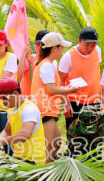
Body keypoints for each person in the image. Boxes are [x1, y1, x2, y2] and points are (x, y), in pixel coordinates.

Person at [31, 32, 79, 162]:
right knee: (48, 147)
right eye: (61, 47)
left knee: (56, 143)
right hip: (46, 111)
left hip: (47, 110)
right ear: (54, 48)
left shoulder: (45, 63)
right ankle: (44, 174)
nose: (62, 51)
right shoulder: (47, 65)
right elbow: (50, 89)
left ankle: (48, 169)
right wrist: (69, 89)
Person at [0, 78, 47, 164]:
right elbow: (7, 131)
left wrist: (3, 141)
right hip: (18, 158)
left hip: (33, 161)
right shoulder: (11, 109)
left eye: (5, 98)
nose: (3, 102)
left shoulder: (29, 108)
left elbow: (25, 135)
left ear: (15, 94)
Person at [59, 26, 102, 127]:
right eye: (87, 45)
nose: (90, 48)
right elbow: (60, 81)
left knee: (94, 137)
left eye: (93, 45)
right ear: (79, 41)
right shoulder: (68, 56)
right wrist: (65, 104)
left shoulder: (97, 51)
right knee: (75, 138)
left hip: (94, 101)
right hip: (75, 103)